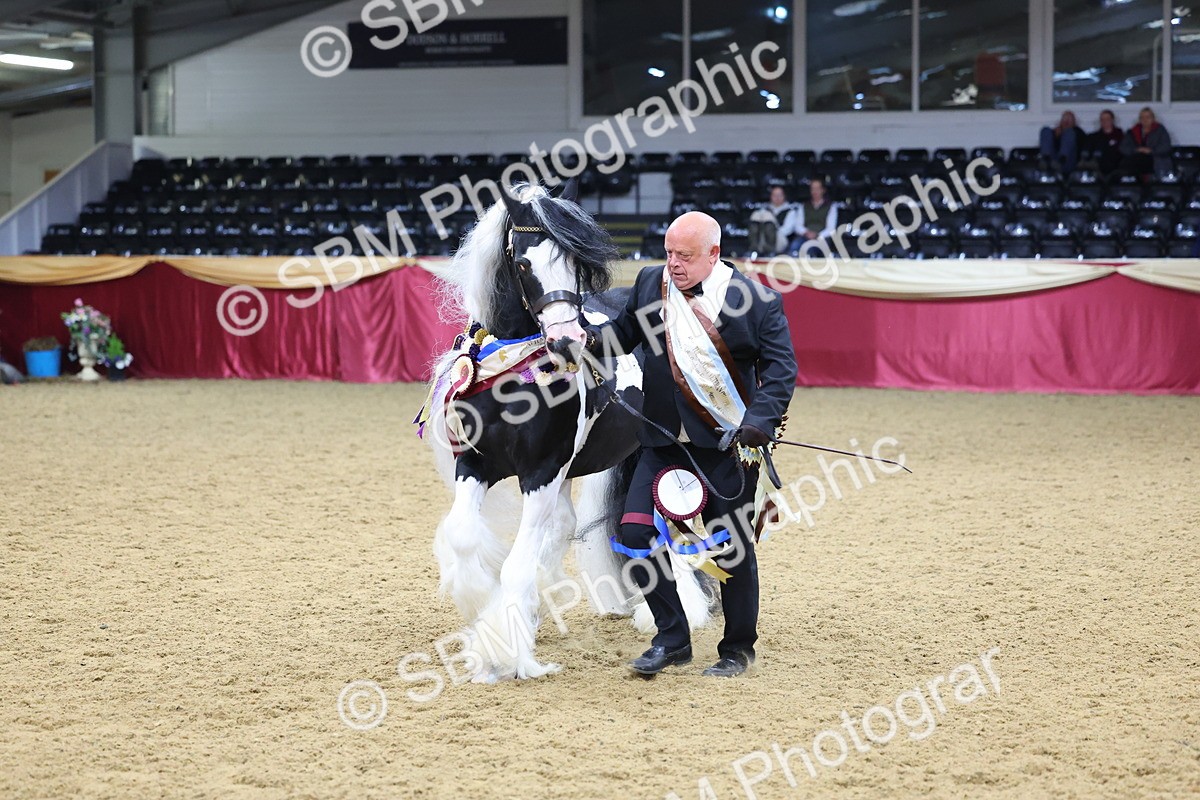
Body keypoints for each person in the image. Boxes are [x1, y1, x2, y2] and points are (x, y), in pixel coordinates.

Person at [582, 211, 797, 679]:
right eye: (668, 253)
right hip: (661, 443)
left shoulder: (757, 303)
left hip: (725, 445)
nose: (673, 264)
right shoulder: (649, 284)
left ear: (714, 254)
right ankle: (672, 637)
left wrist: (759, 421)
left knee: (730, 549)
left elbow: (781, 371)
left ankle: (737, 648)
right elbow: (622, 336)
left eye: (685, 255)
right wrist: (581, 340)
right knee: (635, 535)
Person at [1119, 107, 1173, 180]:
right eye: (1142, 117)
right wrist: (1136, 150)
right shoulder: (1133, 131)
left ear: (1153, 118)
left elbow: (1166, 146)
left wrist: (1151, 151)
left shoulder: (1160, 130)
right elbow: (1123, 147)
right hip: (1136, 160)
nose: (1145, 120)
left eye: (1148, 117)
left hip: (1155, 160)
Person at [747, 185, 799, 256]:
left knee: (768, 219)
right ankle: (754, 249)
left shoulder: (790, 211)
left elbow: (787, 229)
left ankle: (770, 251)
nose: (777, 198)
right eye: (775, 195)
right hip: (763, 237)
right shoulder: (765, 210)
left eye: (779, 195)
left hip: (780, 239)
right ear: (771, 196)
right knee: (757, 215)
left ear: (784, 196)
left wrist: (773, 229)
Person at [795, 178, 839, 252]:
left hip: (822, 238)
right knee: (794, 246)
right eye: (813, 189)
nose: (815, 191)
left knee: (810, 249)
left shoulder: (831, 207)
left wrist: (817, 235)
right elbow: (798, 225)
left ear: (823, 190)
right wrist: (806, 233)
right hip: (805, 236)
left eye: (817, 189)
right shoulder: (803, 206)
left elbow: (831, 228)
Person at [1082, 109, 1124, 175]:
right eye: (1102, 119)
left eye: (1107, 119)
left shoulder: (1119, 135)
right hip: (1097, 165)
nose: (1105, 121)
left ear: (1112, 120)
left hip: (1114, 164)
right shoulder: (1094, 136)